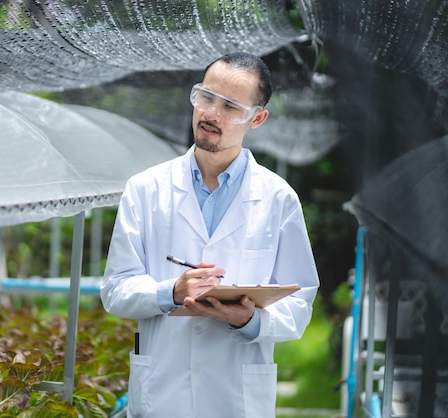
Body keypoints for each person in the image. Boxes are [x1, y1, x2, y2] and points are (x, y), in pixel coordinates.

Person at [100, 51, 320, 418]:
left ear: (257, 118)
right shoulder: (145, 188)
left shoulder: (278, 199)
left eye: (230, 106)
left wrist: (248, 321)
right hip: (162, 393)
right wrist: (171, 292)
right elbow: (115, 290)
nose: (211, 114)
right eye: (206, 97)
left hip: (235, 398)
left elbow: (299, 304)